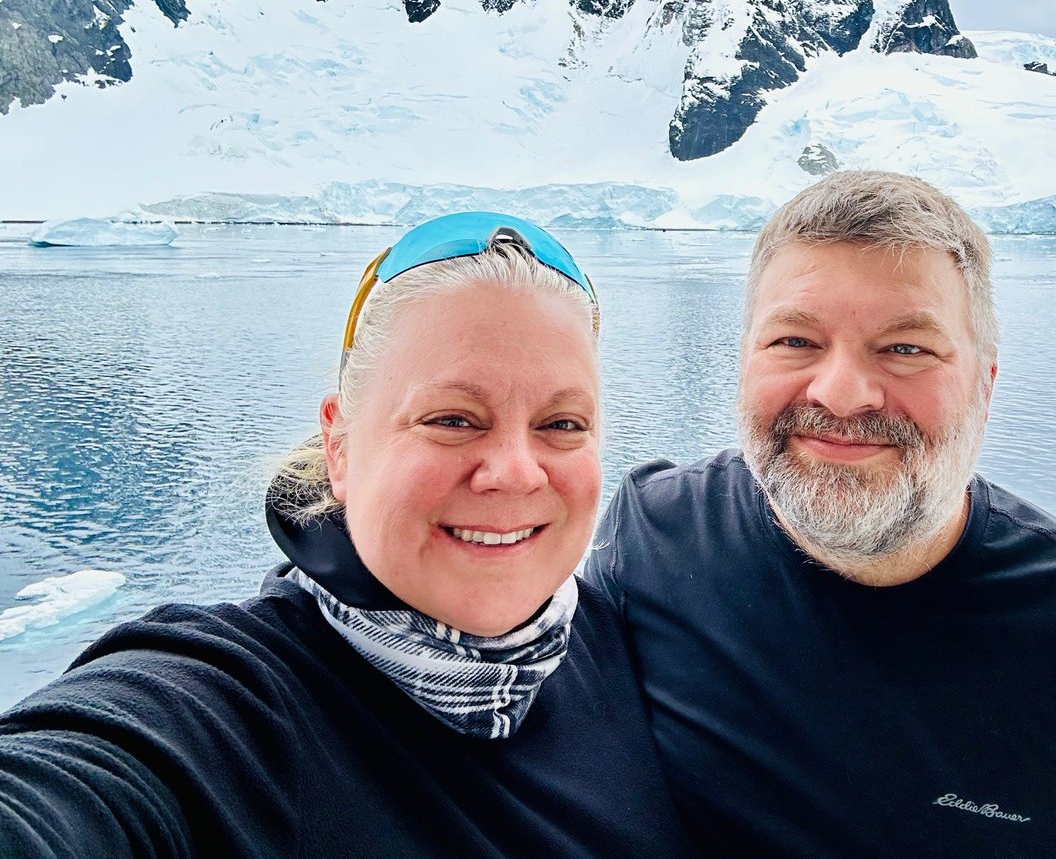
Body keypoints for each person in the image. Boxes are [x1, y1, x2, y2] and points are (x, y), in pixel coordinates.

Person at [587, 171, 1056, 857]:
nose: (843, 394)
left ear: (985, 383)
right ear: (743, 360)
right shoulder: (655, 539)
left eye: (907, 349)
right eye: (795, 341)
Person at [0, 212, 691, 857]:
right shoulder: (227, 712)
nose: (514, 472)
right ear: (340, 447)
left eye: (563, 425)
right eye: (452, 418)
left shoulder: (631, 649)